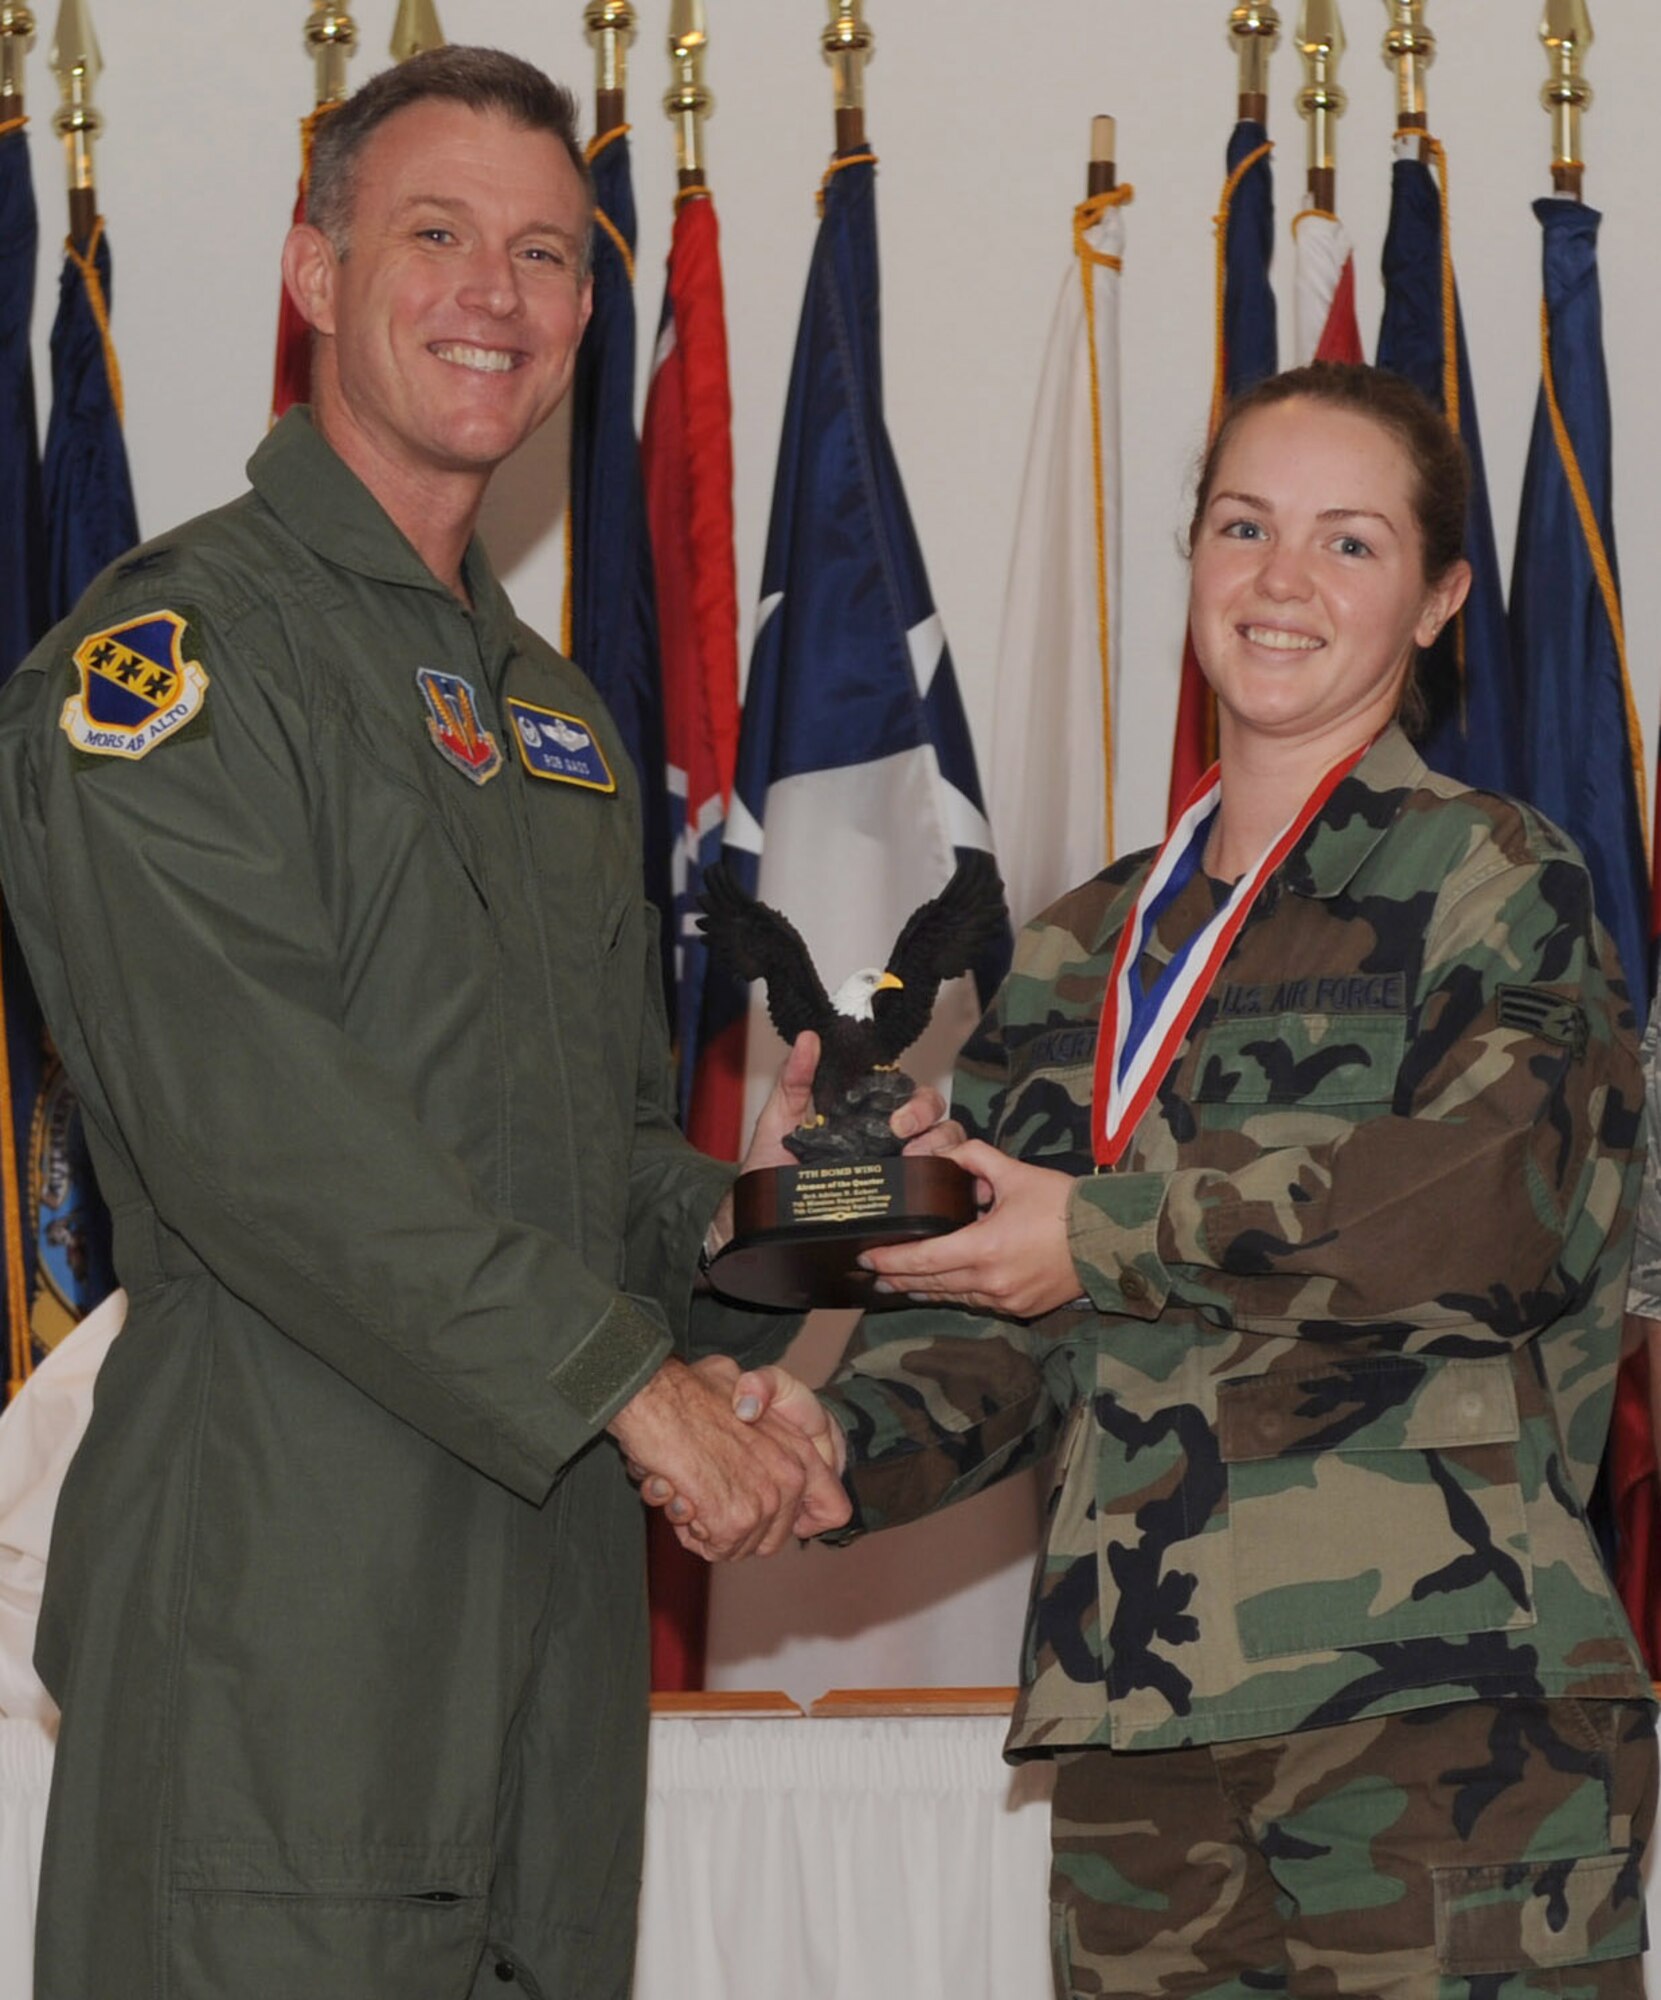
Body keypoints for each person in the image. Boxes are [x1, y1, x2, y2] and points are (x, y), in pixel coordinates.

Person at [0, 46, 957, 2000]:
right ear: (312, 266)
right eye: (436, 235)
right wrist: (638, 1392)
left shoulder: (557, 726)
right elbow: (271, 1147)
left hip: (544, 1676)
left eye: (544, 254)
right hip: (289, 1651)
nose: (494, 297)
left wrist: (818, 1203)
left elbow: (593, 1178)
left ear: (586, 315)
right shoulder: (165, 671)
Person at [673, 364, 1658, 1995]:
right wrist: (832, 1441)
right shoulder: (1076, 944)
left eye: (1349, 544)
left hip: (1435, 1707)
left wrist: (1109, 1228)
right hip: (1139, 1727)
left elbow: (1494, 1207)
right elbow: (1005, 1303)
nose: (1280, 581)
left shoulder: (1496, 873)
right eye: (1242, 526)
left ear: (1437, 601)